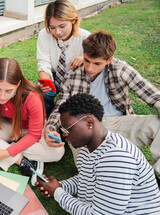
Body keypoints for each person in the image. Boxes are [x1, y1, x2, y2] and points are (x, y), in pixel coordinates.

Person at [36, 93, 160, 215]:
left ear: (89, 122)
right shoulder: (89, 149)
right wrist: (59, 187)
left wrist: (58, 193)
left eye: (67, 129)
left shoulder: (117, 159)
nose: (64, 135)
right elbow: (86, 177)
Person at [44, 31, 160, 173]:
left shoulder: (120, 69)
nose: (89, 68)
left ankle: (155, 178)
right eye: (86, 60)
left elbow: (153, 95)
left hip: (119, 123)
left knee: (157, 124)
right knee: (91, 170)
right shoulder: (72, 76)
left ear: (109, 60)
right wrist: (50, 128)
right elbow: (60, 107)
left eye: (97, 63)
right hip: (85, 128)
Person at [0, 58, 64, 186]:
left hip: (31, 130)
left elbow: (34, 134)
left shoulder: (32, 97)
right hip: (9, 126)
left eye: (9, 91)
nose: (2, 96)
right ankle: (21, 160)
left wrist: (5, 152)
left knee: (57, 153)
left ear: (18, 84)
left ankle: (6, 146)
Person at [36, 0, 90, 117]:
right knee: (39, 92)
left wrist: (84, 58)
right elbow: (44, 62)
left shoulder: (85, 37)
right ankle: (45, 117)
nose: (58, 32)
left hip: (75, 79)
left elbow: (98, 62)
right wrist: (45, 81)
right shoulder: (44, 35)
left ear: (73, 20)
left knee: (70, 108)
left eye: (62, 26)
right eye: (52, 27)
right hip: (54, 75)